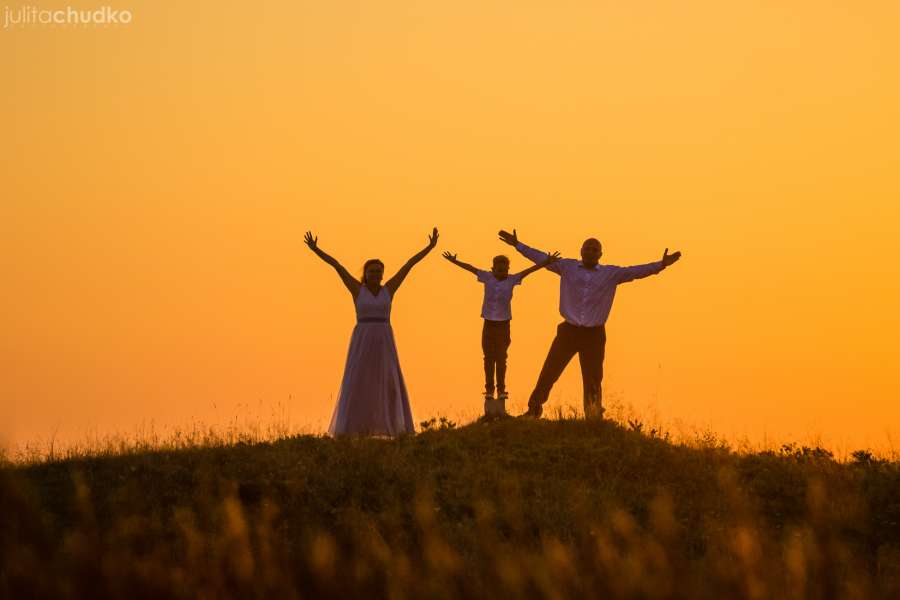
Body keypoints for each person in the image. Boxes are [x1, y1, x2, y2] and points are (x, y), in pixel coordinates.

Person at [498, 229, 681, 419]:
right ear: (581, 251)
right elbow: (541, 258)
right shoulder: (567, 267)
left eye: (595, 250)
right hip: (568, 331)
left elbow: (635, 271)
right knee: (549, 371)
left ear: (600, 254)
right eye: (588, 248)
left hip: (594, 335)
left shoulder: (611, 274)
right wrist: (518, 245)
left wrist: (661, 265)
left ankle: (592, 416)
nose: (591, 252)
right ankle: (533, 410)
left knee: (593, 378)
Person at [304, 228, 439, 436]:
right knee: (359, 381)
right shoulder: (357, 289)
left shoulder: (389, 289)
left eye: (378, 271)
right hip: (363, 338)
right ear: (365, 274)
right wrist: (316, 249)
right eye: (372, 271)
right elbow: (337, 266)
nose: (375, 274)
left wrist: (429, 248)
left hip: (384, 338)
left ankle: (392, 427)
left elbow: (408, 266)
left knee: (389, 381)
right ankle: (353, 429)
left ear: (382, 273)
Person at [442, 250, 560, 416]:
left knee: (501, 358)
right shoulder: (487, 277)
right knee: (488, 358)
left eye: (505, 270)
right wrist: (455, 261)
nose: (502, 273)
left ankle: (502, 389)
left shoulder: (512, 279)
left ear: (508, 270)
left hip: (503, 325)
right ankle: (489, 390)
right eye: (499, 270)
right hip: (488, 324)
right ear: (493, 269)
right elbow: (471, 268)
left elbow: (529, 270)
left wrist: (546, 262)